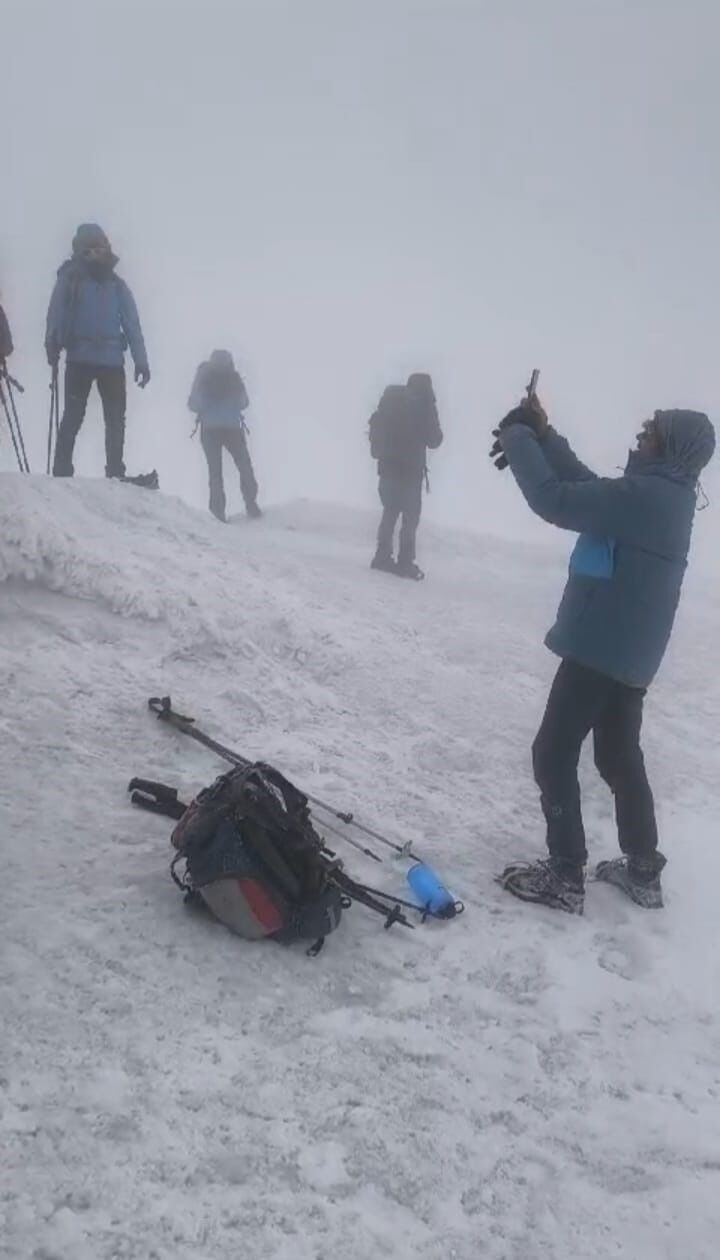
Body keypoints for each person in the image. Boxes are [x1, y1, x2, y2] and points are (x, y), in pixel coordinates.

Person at [490, 394, 716, 914]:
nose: (640, 436)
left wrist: (517, 436)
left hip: (600, 647)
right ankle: (642, 871)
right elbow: (592, 489)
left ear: (674, 446)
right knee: (617, 756)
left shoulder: (647, 495)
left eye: (651, 432)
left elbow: (555, 499)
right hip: (631, 654)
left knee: (552, 752)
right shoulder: (665, 494)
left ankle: (566, 874)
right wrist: (543, 437)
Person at [45, 224, 150, 479]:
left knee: (100, 417)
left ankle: (76, 470)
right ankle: (83, 470)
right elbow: (57, 312)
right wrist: (52, 342)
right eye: (90, 249)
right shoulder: (78, 279)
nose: (95, 253)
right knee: (96, 417)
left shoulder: (95, 281)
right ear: (80, 250)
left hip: (96, 359)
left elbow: (132, 324)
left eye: (99, 248)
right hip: (97, 359)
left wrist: (141, 361)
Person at [369, 372, 443, 579]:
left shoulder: (392, 401)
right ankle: (405, 562)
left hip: (387, 468)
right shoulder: (425, 406)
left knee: (390, 511)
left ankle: (381, 557)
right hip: (410, 472)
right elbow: (435, 439)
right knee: (410, 519)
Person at [187, 349, 261, 522]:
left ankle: (218, 512)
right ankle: (251, 503)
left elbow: (193, 404)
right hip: (232, 428)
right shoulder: (233, 377)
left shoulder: (204, 378)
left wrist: (209, 403)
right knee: (244, 465)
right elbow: (244, 402)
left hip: (210, 429)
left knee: (215, 472)